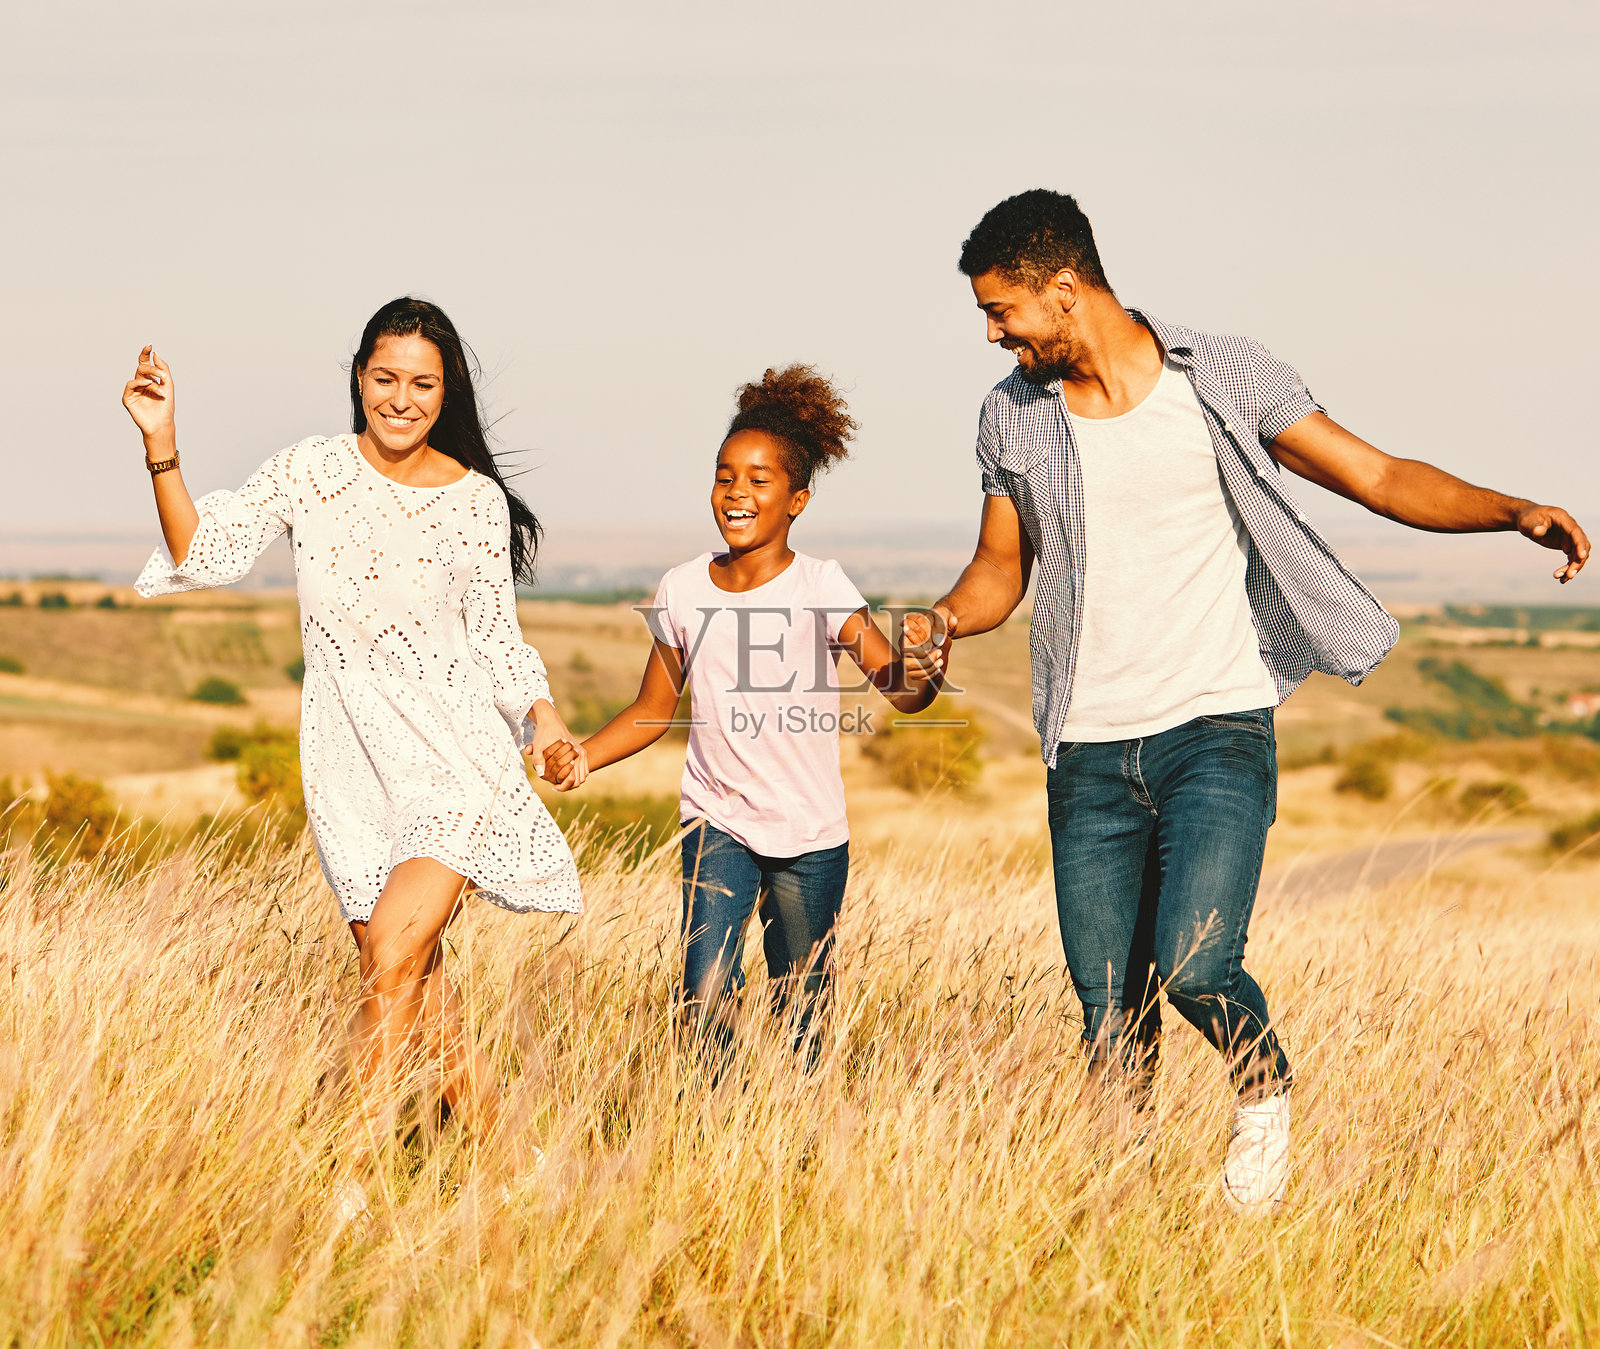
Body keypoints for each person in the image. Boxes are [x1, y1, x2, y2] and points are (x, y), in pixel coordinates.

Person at [915, 189, 1589, 1214]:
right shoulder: (1009, 414)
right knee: (1107, 1015)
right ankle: (1116, 1212)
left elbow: (1374, 474)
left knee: (1196, 963)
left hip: (1213, 727)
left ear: (1063, 289)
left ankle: (1263, 1087)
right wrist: (938, 624)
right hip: (1087, 748)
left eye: (1001, 311)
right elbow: (999, 569)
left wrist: (1510, 511)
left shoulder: (1220, 374)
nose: (994, 334)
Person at [123, 296, 586, 1217]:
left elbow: (498, 638)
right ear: (359, 378)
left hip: (454, 763)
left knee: (389, 966)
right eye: (385, 378)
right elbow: (201, 550)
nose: (401, 399)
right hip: (348, 770)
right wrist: (161, 442)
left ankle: (349, 1178)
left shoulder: (474, 501)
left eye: (422, 383)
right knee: (412, 970)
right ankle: (511, 1159)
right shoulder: (312, 470)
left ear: (445, 390)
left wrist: (544, 717)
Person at [547, 366, 943, 1068]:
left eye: (759, 481)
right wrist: (583, 753)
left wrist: (926, 677)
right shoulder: (681, 589)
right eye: (725, 476)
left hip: (809, 834)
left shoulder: (821, 585)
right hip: (716, 821)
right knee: (703, 992)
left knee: (801, 1006)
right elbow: (651, 710)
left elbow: (898, 687)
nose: (737, 493)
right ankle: (712, 1132)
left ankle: (791, 1141)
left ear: (797, 499)